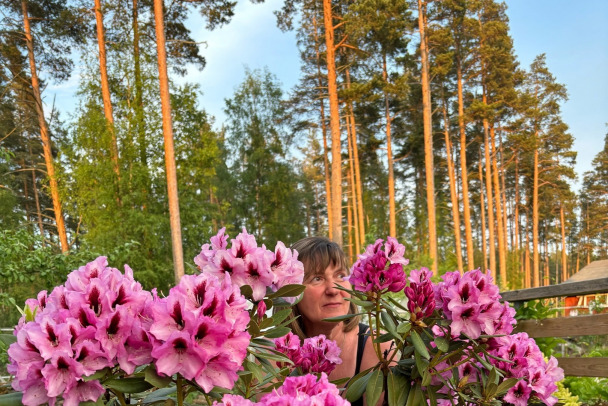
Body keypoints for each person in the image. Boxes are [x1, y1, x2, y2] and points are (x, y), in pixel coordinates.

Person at [289, 237, 392, 406]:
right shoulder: (275, 356)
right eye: (317, 278)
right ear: (291, 291)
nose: (333, 289)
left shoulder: (379, 347)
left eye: (340, 275)